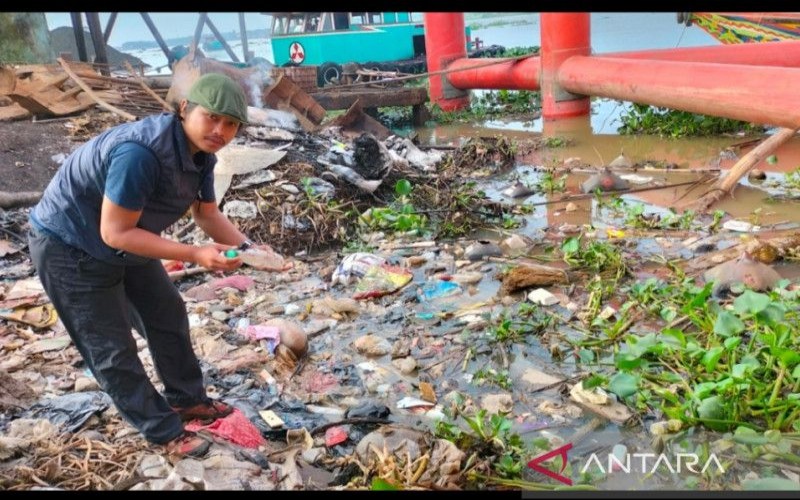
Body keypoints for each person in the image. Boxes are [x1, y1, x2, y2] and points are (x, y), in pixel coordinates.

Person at [27, 72, 285, 458]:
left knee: (166, 311)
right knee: (112, 348)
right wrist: (197, 255)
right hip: (70, 243)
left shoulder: (201, 156)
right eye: (211, 117)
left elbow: (207, 215)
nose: (220, 130)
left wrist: (249, 247)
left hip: (129, 236)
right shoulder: (141, 153)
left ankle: (187, 400)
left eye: (231, 123)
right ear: (184, 109)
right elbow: (115, 233)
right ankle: (163, 432)